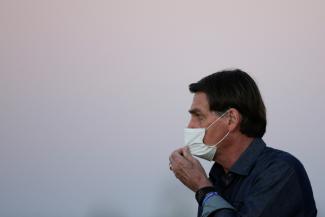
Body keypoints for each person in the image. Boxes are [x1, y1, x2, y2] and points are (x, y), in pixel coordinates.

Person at [169, 69, 317, 217]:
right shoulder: (218, 175)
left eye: (199, 116)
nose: (190, 126)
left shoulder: (281, 171)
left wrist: (203, 187)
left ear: (231, 119)